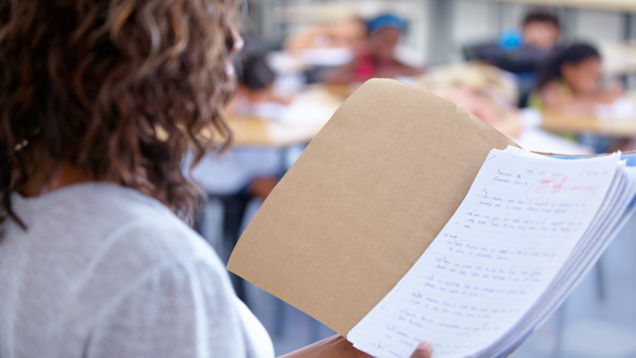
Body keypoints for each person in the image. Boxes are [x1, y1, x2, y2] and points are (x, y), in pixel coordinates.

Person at [0, 1, 433, 358]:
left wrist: (346, 353)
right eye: (216, 25)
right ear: (161, 61)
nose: (237, 44)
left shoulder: (27, 200)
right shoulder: (156, 264)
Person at [323, 12, 422, 85]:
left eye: (394, 41)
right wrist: (374, 77)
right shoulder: (361, 56)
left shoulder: (392, 60)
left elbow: (420, 71)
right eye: (384, 40)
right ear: (370, 38)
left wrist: (396, 71)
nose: (388, 46)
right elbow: (330, 78)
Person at [529, 43, 623, 110]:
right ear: (568, 70)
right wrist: (599, 100)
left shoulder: (576, 90)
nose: (594, 82)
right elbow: (555, 104)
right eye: (589, 74)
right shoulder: (553, 85)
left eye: (597, 77)